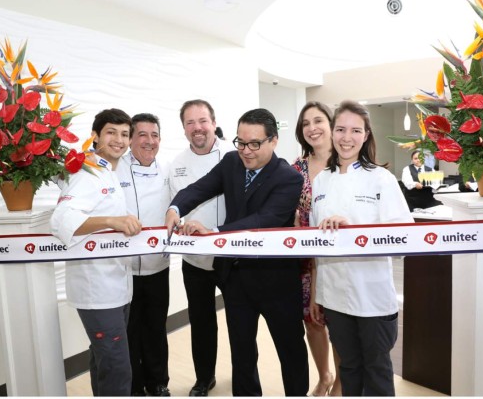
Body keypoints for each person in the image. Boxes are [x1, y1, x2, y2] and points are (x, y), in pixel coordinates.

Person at [166, 108, 309, 396]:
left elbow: (264, 219)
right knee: (242, 354)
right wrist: (175, 207)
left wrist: (216, 232)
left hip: (277, 281)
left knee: (290, 350)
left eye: (255, 143)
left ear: (274, 141)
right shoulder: (231, 163)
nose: (246, 150)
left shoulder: (288, 178)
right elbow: (199, 188)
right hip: (237, 279)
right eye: (241, 142)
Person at [310, 100, 414, 396]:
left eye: (356, 130)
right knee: (349, 368)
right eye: (340, 129)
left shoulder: (380, 179)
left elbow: (403, 240)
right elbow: (318, 246)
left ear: (366, 135)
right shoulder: (321, 182)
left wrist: (354, 228)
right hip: (334, 294)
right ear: (331, 132)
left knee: (378, 372)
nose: (347, 137)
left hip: (372, 297)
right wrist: (317, 295)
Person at [51, 108, 142, 396]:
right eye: (111, 132)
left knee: (105, 360)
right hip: (97, 290)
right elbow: (61, 220)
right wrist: (112, 221)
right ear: (95, 136)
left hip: (117, 285)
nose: (119, 140)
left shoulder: (108, 171)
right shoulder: (87, 173)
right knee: (117, 367)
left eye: (125, 134)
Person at [168, 99, 232, 396]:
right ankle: (204, 378)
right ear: (183, 129)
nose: (198, 128)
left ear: (214, 122)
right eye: (190, 123)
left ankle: (245, 376)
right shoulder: (177, 165)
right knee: (202, 323)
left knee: (240, 322)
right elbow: (175, 207)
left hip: (231, 257)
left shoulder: (232, 156)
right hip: (194, 260)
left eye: (203, 120)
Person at [116, 113, 171, 396]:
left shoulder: (167, 170)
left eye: (155, 135)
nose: (150, 141)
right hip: (123, 269)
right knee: (129, 331)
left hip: (158, 266)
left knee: (156, 329)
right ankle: (134, 387)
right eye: (142, 135)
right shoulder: (115, 169)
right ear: (130, 139)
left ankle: (158, 382)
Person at [292, 101, 341, 397]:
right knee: (312, 320)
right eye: (306, 123)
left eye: (318, 120)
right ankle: (324, 376)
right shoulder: (295, 168)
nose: (312, 128)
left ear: (331, 123)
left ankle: (340, 383)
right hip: (304, 257)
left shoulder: (347, 162)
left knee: (338, 322)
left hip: (337, 257)